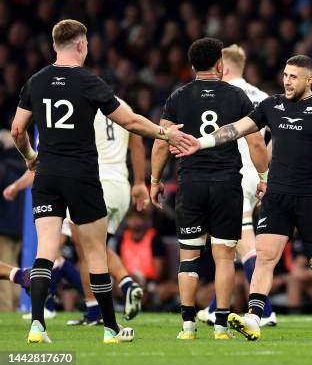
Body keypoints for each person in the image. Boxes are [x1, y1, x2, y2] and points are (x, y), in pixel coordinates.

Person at [11, 19, 194, 344]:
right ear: (82, 45)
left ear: (55, 45)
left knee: (45, 251)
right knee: (96, 251)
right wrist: (167, 133)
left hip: (48, 174)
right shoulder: (89, 82)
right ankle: (111, 329)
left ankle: (37, 326)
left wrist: (29, 157)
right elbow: (132, 122)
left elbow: (16, 129)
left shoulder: (35, 82)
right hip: (82, 175)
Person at [172, 54, 312, 342]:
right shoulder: (272, 105)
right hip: (276, 195)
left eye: (294, 76)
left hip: (311, 196)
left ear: (309, 79)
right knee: (265, 257)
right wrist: (201, 142)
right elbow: (236, 129)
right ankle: (254, 318)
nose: (287, 80)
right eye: (285, 75)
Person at [150, 37, 269, 340]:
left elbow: (162, 141)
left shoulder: (178, 97)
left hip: (191, 183)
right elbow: (255, 141)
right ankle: (219, 325)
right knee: (225, 257)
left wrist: (154, 180)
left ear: (191, 66)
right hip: (227, 184)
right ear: (220, 64)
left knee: (189, 256)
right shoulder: (237, 97)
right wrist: (264, 175)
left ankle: (188, 325)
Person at [4, 99, 149, 326]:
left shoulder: (82, 106)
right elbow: (138, 140)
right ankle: (125, 286)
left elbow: (56, 152)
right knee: (96, 247)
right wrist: (140, 182)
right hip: (121, 185)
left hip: (91, 184)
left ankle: (93, 308)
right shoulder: (124, 107)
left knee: (85, 251)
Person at [198, 44, 277, 327]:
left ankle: (264, 311)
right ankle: (213, 307)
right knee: (228, 241)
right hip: (257, 172)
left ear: (225, 68)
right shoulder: (265, 98)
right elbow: (272, 142)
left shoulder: (223, 96)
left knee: (244, 243)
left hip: (232, 174)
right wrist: (266, 175)